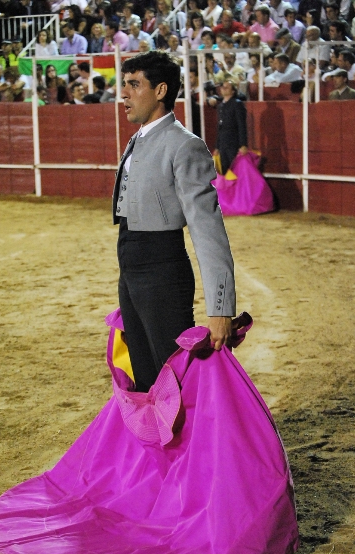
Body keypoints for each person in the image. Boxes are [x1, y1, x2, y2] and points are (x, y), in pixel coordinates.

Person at [115, 50, 236, 393]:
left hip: (163, 274)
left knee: (175, 380)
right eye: (124, 84)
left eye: (134, 84)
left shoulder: (185, 146)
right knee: (145, 377)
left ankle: (192, 448)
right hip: (132, 271)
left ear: (160, 90)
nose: (124, 94)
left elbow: (208, 230)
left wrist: (220, 307)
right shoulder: (139, 139)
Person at [208, 78, 247, 175]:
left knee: (234, 169)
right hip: (223, 143)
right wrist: (217, 146)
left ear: (233, 91)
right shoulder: (221, 105)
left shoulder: (237, 104)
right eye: (223, 86)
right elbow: (219, 127)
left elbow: (241, 125)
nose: (224, 88)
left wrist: (243, 144)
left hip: (234, 142)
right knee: (224, 169)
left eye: (227, 87)